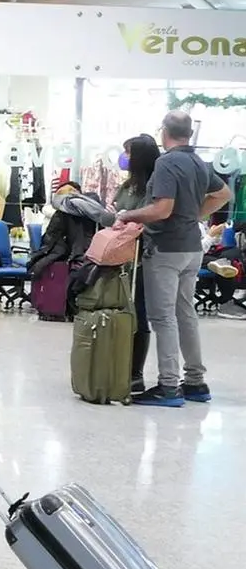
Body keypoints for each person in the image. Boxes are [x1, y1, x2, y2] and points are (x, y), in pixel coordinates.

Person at [118, 110, 231, 407]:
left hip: (166, 249)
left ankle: (168, 386)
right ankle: (195, 381)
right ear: (189, 133)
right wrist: (193, 214)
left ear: (163, 131)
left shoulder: (166, 162)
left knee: (163, 318)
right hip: (192, 249)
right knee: (185, 315)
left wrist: (127, 215)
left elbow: (162, 209)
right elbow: (223, 194)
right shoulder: (196, 161)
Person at [115, 135, 160, 394]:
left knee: (139, 311)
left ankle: (135, 373)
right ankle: (117, 363)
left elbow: (144, 219)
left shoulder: (153, 186)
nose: (126, 158)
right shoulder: (128, 185)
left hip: (141, 257)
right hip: (118, 255)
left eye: (129, 153)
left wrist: (125, 219)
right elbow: (116, 208)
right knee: (119, 308)